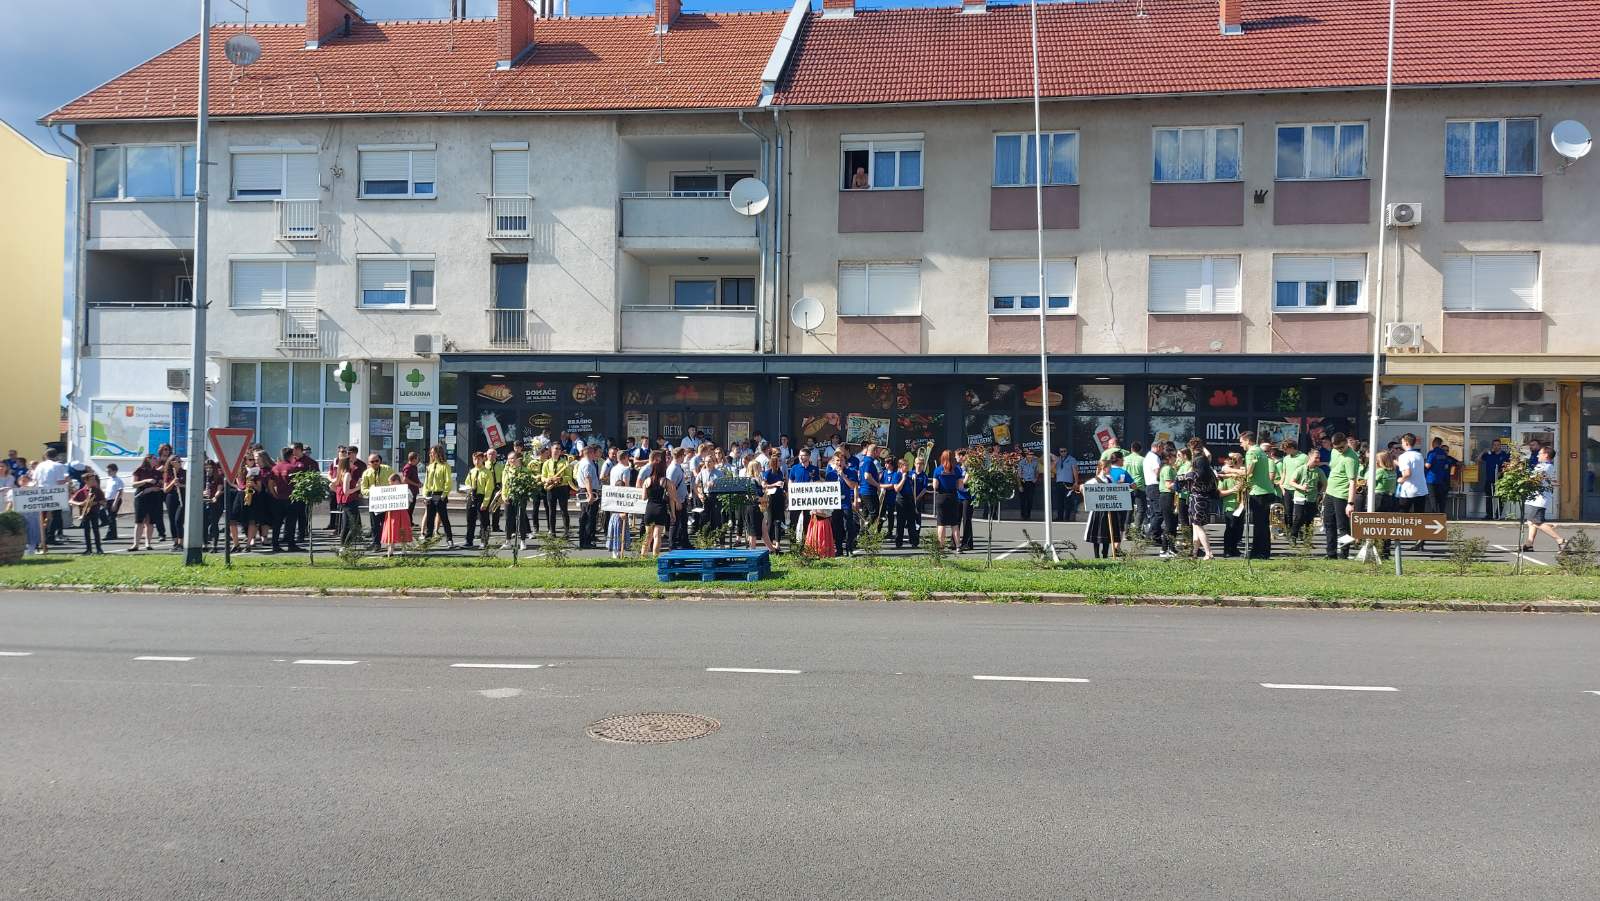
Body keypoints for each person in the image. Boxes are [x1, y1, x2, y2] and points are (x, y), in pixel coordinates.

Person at [1322, 433, 1360, 559]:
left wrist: (1350, 503)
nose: (1340, 450)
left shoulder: (1351, 458)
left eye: (1342, 447)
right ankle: (1331, 553)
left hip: (1342, 495)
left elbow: (1353, 481)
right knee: (1328, 524)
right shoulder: (1334, 452)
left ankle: (1344, 554)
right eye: (1337, 448)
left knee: (1342, 527)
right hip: (1330, 493)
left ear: (1346, 443)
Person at [1523, 446, 1564, 553]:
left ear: (1546, 455)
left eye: (1540, 453)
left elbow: (1530, 479)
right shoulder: (1545, 466)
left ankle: (1560, 540)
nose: (1537, 455)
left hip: (1539, 498)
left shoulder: (1545, 467)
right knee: (1531, 521)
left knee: (1537, 522)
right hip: (1536, 498)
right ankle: (1529, 544)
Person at [1394, 433, 1429, 551]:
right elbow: (1415, 468)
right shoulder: (1419, 455)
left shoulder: (1403, 457)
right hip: (1421, 489)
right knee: (1419, 516)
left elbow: (1407, 473)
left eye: (1402, 442)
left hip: (1408, 490)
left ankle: (1399, 541)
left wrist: (1400, 479)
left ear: (1406, 443)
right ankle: (1420, 540)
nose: (1401, 444)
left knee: (1402, 516)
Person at [1185, 439, 1219, 560]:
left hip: (1196, 499)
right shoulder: (1209, 472)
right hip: (1204, 498)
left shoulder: (1194, 474)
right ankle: (1194, 552)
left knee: (1198, 526)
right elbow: (1208, 455)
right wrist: (1201, 447)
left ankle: (1208, 552)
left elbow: (1183, 479)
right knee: (1195, 526)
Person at [640, 450, 675, 557]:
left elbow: (643, 497)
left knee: (648, 535)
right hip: (661, 508)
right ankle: (655, 556)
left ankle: (643, 556)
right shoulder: (666, 481)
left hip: (650, 508)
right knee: (657, 536)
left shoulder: (647, 480)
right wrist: (673, 514)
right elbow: (672, 499)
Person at [421, 444, 456, 548]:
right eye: (430, 452)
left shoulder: (445, 466)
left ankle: (449, 539)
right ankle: (428, 539)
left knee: (444, 518)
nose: (431, 454)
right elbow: (426, 483)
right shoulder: (430, 466)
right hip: (430, 494)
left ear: (438, 453)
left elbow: (448, 482)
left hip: (439, 494)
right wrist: (424, 495)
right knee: (430, 518)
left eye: (433, 452)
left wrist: (444, 495)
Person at [127, 454, 163, 552]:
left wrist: (153, 488)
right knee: (139, 521)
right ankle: (136, 544)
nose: (156, 460)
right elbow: (133, 484)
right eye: (154, 458)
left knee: (150, 522)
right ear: (148, 459)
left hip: (153, 497)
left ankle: (148, 543)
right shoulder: (139, 470)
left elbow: (161, 485)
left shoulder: (157, 472)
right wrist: (146, 481)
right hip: (141, 496)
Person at [932, 449, 965, 553]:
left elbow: (935, 486)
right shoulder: (957, 470)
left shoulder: (937, 470)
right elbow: (960, 486)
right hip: (953, 497)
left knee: (941, 523)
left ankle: (941, 547)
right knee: (954, 524)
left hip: (941, 497)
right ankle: (958, 546)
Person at [359, 453, 395, 551]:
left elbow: (395, 482)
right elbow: (363, 490)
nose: (375, 463)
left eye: (377, 461)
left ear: (380, 461)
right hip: (374, 501)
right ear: (369, 463)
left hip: (386, 500)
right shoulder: (366, 473)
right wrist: (372, 491)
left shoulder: (387, 469)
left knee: (386, 523)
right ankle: (376, 544)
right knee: (374, 524)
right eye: (372, 462)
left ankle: (389, 543)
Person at [606, 454, 635, 558]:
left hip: (613, 498)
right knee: (620, 525)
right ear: (624, 458)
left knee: (615, 525)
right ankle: (618, 551)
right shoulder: (626, 469)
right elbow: (626, 487)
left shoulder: (613, 468)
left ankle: (616, 551)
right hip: (621, 497)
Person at [71, 472, 106, 555]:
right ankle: (88, 549)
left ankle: (99, 549)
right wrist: (80, 503)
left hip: (94, 512)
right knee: (86, 531)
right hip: (85, 513)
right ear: (86, 481)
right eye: (92, 480)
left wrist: (96, 503)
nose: (94, 481)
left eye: (94, 479)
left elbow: (104, 502)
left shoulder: (97, 490)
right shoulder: (82, 491)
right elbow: (71, 501)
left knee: (96, 530)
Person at [1424, 437, 1459, 520]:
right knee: (1442, 498)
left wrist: (1422, 464)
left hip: (1431, 479)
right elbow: (1448, 464)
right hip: (1442, 480)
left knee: (1433, 497)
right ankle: (1442, 515)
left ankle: (1434, 516)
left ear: (1434, 443)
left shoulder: (1432, 453)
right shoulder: (1444, 454)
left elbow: (1428, 465)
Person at [575, 444, 602, 550]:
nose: (595, 454)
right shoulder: (587, 464)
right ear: (590, 453)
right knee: (588, 517)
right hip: (588, 491)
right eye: (594, 452)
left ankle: (585, 540)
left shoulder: (584, 462)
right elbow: (588, 479)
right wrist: (590, 494)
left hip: (585, 490)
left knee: (586, 516)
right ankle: (586, 541)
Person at [380, 472, 414, 556]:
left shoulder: (405, 489)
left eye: (391, 482)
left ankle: (404, 549)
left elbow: (410, 499)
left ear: (396, 481)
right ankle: (390, 550)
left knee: (403, 529)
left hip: (401, 511)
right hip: (391, 512)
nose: (390, 484)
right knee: (391, 530)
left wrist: (403, 495)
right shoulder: (389, 490)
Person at [1219, 453, 1246, 558]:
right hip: (1230, 505)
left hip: (1241, 505)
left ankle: (1234, 549)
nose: (1241, 461)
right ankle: (1227, 550)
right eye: (1239, 460)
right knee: (1230, 528)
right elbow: (1220, 493)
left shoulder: (1242, 475)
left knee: (1239, 529)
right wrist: (1233, 490)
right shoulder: (1224, 476)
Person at [1479, 438, 1510, 520]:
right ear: (1492, 446)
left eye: (1498, 445)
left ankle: (1498, 515)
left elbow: (1509, 466)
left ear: (1500, 446)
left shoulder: (1504, 455)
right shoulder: (1489, 454)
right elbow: (1478, 460)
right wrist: (1483, 452)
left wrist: (1501, 472)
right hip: (1489, 479)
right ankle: (1489, 515)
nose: (1496, 447)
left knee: (1501, 498)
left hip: (1501, 480)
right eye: (1494, 445)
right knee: (1489, 498)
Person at [161, 456, 186, 550]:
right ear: (172, 462)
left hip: (182, 498)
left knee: (178, 520)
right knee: (172, 520)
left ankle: (181, 543)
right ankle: (175, 542)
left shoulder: (185, 473)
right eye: (178, 461)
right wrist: (173, 482)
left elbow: (190, 486)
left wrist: (181, 485)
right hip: (171, 498)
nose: (180, 463)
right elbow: (165, 489)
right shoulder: (168, 474)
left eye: (180, 461)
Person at [1054, 448, 1079, 522]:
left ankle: (1067, 517)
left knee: (1068, 501)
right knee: (1059, 501)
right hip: (1059, 482)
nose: (1063, 453)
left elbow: (1075, 471)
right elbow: (1050, 469)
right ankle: (1060, 517)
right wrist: (1055, 462)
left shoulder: (1072, 459)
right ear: (1059, 452)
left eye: (1064, 451)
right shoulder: (1058, 459)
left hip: (1068, 483)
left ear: (1067, 451)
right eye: (1061, 451)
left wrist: (1076, 482)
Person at [102, 463, 124, 542]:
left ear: (115, 471)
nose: (108, 472)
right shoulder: (109, 480)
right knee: (111, 517)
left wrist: (115, 503)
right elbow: (108, 491)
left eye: (109, 471)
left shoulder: (118, 480)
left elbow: (119, 491)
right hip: (108, 500)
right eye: (107, 471)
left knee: (111, 517)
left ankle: (110, 534)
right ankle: (113, 533)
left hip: (115, 500)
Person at [1016, 450, 1039, 521]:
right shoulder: (1021, 462)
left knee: (1030, 500)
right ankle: (1023, 515)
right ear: (1026, 455)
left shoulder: (1035, 462)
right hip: (1023, 482)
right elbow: (1018, 475)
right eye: (1029, 454)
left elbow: (1037, 471)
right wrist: (1020, 485)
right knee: (1023, 500)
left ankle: (1028, 515)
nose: (1030, 456)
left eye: (1032, 454)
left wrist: (1036, 478)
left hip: (1031, 483)